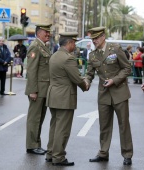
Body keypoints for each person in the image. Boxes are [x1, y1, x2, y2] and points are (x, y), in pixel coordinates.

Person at [86, 27, 133, 166]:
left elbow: (127, 68)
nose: (94, 41)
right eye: (92, 39)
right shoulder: (92, 55)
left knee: (123, 125)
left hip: (119, 92)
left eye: (96, 38)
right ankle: (103, 153)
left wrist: (115, 80)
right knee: (104, 125)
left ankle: (127, 154)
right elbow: (90, 73)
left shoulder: (115, 48)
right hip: (104, 94)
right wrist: (86, 82)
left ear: (103, 37)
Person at [45, 32, 88, 166]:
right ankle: (58, 157)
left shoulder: (54, 56)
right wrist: (85, 84)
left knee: (55, 126)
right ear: (69, 43)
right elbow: (76, 78)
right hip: (64, 97)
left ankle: (50, 153)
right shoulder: (68, 58)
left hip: (53, 95)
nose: (74, 46)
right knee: (63, 128)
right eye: (74, 43)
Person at [25, 23, 52, 155]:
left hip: (44, 88)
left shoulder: (43, 46)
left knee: (39, 118)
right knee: (34, 119)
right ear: (39, 33)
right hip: (37, 89)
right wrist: (32, 90)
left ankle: (36, 143)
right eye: (46, 32)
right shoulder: (35, 46)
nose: (48, 34)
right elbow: (31, 71)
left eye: (49, 32)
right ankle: (31, 145)